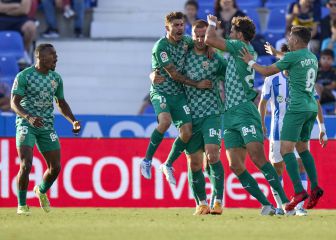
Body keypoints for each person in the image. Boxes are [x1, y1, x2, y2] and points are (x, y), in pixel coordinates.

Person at [205, 15, 290, 215]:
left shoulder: (239, 47)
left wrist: (211, 24)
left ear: (240, 35)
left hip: (244, 110)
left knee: (258, 158)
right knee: (235, 165)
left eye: (232, 31)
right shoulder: (238, 52)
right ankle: (266, 205)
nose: (229, 34)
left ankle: (286, 203)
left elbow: (210, 39)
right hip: (230, 113)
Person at [240, 25, 324, 211]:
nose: (289, 40)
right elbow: (290, 60)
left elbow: (267, 71)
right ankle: (316, 187)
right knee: (302, 148)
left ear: (297, 40)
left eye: (291, 38)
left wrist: (250, 61)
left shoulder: (293, 56)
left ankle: (299, 191)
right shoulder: (311, 57)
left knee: (286, 150)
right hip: (311, 107)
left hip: (297, 108)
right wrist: (277, 52)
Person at [151, 20, 226, 215]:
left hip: (211, 113)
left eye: (204, 36)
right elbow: (164, 70)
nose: (201, 40)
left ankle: (217, 200)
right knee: (194, 163)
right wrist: (151, 74)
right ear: (191, 37)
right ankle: (201, 203)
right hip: (190, 115)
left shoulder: (215, 58)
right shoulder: (183, 54)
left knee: (212, 155)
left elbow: (231, 74)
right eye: (197, 36)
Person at [140, 12, 212, 185]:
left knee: (187, 131)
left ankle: (168, 164)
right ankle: (147, 160)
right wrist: (197, 84)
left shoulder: (186, 41)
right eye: (176, 25)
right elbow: (173, 74)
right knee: (164, 122)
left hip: (179, 95)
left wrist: (209, 46)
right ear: (167, 28)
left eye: (182, 24)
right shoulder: (161, 47)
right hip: (162, 92)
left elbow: (201, 43)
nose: (180, 28)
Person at [11, 43, 81, 215]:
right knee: (26, 163)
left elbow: (61, 103)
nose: (56, 58)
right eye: (52, 55)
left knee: (55, 167)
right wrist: (28, 117)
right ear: (40, 57)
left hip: (46, 126)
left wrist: (73, 120)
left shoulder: (56, 78)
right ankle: (22, 205)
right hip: (27, 123)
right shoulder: (25, 76)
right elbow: (14, 102)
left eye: (56, 54)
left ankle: (40, 191)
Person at [259, 43, 328, 216]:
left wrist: (321, 127)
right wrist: (261, 123)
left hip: (298, 127)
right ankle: (281, 205)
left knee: (301, 165)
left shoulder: (303, 76)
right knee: (277, 168)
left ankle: (299, 207)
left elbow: (316, 102)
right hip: (277, 130)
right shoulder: (272, 79)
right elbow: (263, 102)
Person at [0, 0, 37, 64]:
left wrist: (6, 10)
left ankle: (24, 52)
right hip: (1, 19)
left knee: (30, 27)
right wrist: (16, 6)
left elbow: (24, 10)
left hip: (21, 19)